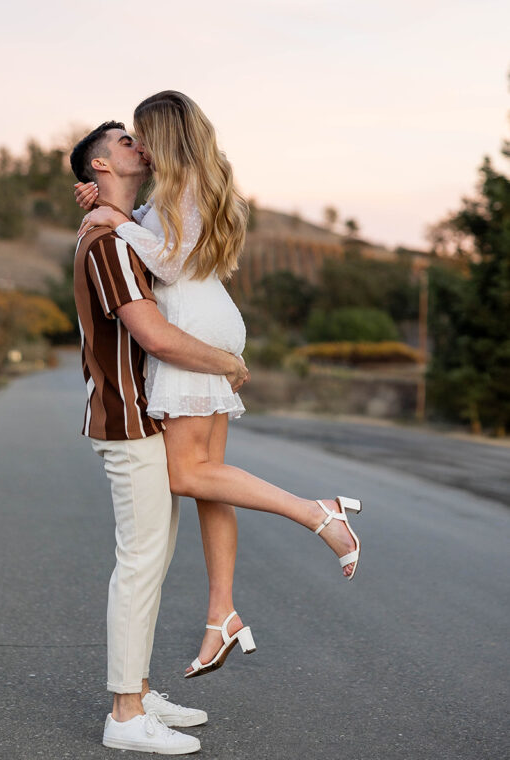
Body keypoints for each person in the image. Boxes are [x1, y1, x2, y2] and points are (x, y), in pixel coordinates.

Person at [76, 91, 363, 680]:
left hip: (192, 329)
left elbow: (170, 265)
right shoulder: (180, 186)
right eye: (130, 139)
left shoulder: (187, 187)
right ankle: (222, 614)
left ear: (165, 133)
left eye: (142, 134)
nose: (140, 145)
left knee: (186, 473)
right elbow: (165, 245)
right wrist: (118, 215)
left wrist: (116, 224)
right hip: (209, 319)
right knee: (211, 484)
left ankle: (318, 512)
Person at [70, 121, 250, 755]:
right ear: (98, 163)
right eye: (123, 142)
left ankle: (140, 694)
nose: (136, 146)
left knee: (150, 560)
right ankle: (125, 714)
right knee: (141, 563)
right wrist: (227, 363)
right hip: (128, 420)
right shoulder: (109, 245)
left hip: (144, 418)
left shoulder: (125, 229)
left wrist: (115, 210)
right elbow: (155, 336)